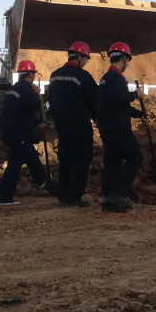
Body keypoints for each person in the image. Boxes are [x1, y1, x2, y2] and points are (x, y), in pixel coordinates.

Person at [46, 42, 97, 208]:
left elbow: (51, 100)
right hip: (79, 125)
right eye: (85, 59)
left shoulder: (54, 75)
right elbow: (94, 100)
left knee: (66, 160)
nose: (86, 63)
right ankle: (73, 197)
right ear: (79, 57)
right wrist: (97, 118)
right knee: (81, 160)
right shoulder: (82, 76)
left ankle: (63, 196)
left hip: (61, 126)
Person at [97, 42, 144, 214]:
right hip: (117, 128)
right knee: (135, 158)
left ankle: (108, 201)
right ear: (123, 58)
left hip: (108, 127)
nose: (127, 64)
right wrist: (136, 94)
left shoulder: (107, 78)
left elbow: (119, 105)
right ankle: (117, 194)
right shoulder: (114, 78)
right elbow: (119, 98)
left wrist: (139, 115)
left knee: (112, 163)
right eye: (127, 60)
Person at [0, 60, 48, 206]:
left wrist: (36, 123)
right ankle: (3, 197)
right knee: (15, 164)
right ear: (30, 75)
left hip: (12, 131)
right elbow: (32, 106)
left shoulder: (14, 89)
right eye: (33, 75)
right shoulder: (23, 89)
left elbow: (20, 113)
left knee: (30, 155)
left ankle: (43, 183)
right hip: (17, 134)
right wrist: (36, 94)